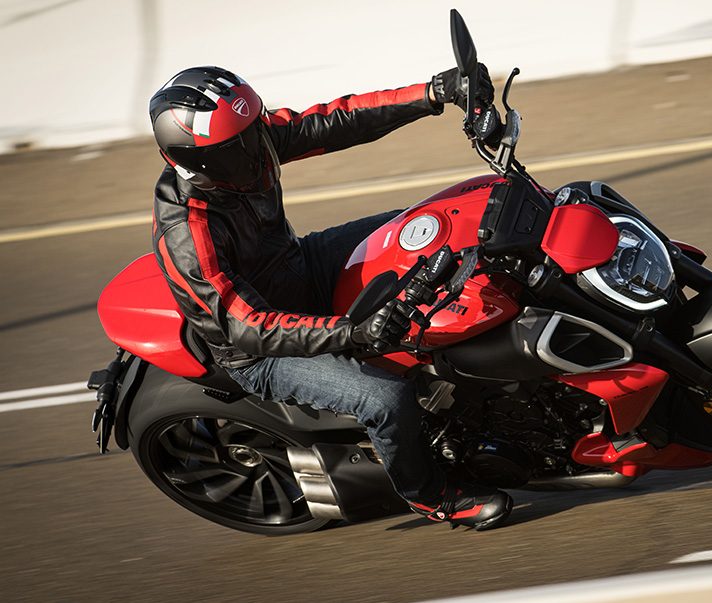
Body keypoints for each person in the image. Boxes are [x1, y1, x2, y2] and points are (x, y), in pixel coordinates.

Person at [148, 64, 512, 530]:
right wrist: (352, 332)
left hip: (300, 265)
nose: (259, 147)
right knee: (384, 397)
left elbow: (334, 120)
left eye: (254, 129)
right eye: (240, 145)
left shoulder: (244, 144)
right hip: (259, 350)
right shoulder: (187, 231)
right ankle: (430, 494)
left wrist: (434, 92)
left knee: (426, 226)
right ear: (197, 164)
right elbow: (249, 326)